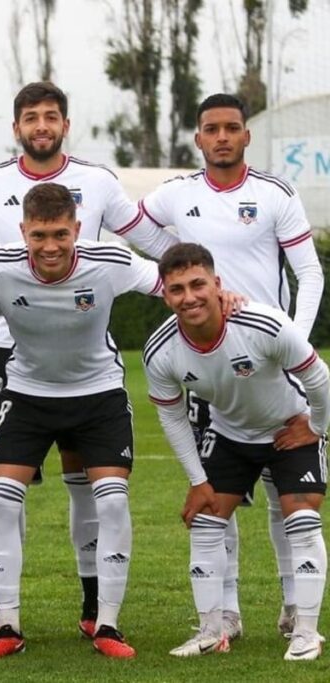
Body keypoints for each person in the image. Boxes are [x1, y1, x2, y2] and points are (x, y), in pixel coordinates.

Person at [0, 82, 179, 643]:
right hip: (11, 351)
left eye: (51, 117)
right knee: (5, 494)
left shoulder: (99, 184)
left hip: (86, 354)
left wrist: (209, 271)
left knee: (84, 488)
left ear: (65, 124)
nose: (41, 126)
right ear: (17, 127)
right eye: (30, 118)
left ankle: (96, 609)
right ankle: (4, 615)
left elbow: (158, 249)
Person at [132, 93, 325, 639]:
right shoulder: (175, 195)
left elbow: (309, 273)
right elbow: (136, 231)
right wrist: (181, 278)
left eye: (231, 128)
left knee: (281, 490)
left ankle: (292, 607)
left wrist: (294, 337)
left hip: (270, 354)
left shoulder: (274, 194)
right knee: (221, 493)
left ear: (246, 136)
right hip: (206, 360)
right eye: (210, 129)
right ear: (198, 138)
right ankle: (228, 615)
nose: (221, 136)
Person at [143, 243, 328, 661]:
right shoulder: (161, 351)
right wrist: (198, 481)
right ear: (166, 295)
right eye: (177, 289)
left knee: (300, 520)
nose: (189, 297)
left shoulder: (263, 324)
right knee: (206, 522)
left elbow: (319, 378)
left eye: (197, 284)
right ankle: (213, 629)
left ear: (217, 284)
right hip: (229, 435)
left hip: (288, 429)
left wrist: (315, 427)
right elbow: (172, 418)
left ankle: (305, 632)